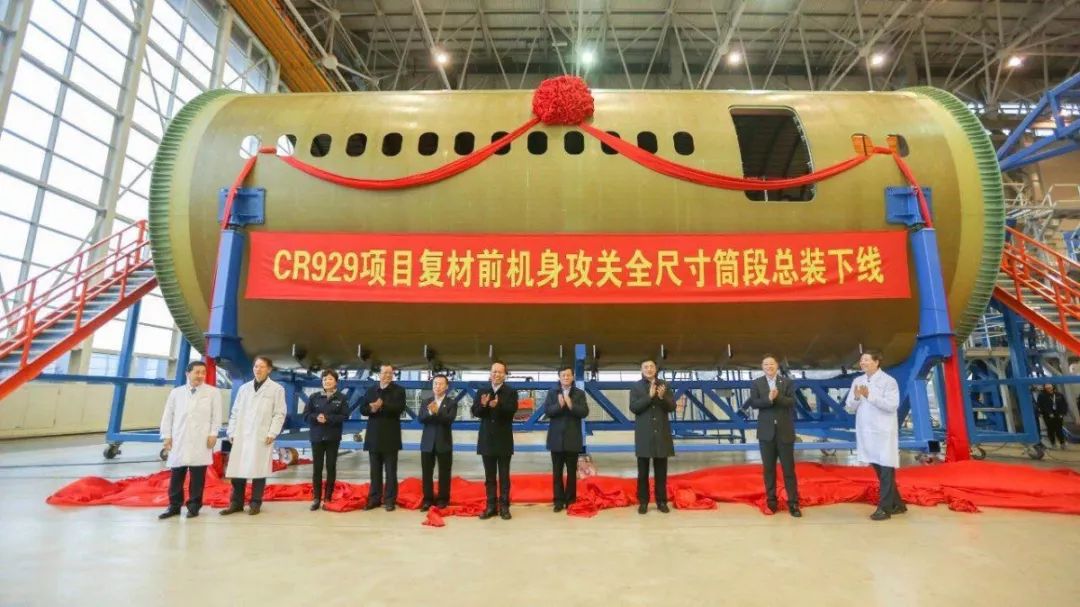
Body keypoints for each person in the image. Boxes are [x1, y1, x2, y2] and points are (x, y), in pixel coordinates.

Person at [221, 356, 287, 516]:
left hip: (262, 435)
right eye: (256, 366)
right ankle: (236, 503)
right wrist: (231, 431)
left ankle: (255, 502)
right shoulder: (244, 388)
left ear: (269, 369)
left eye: (262, 367)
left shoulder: (277, 389)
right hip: (241, 434)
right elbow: (235, 411)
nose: (258, 369)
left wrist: (273, 432)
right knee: (238, 469)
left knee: (259, 470)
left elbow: (279, 413)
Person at [844, 350, 905, 521]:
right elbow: (849, 408)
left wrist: (870, 396)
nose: (863, 363)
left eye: (866, 360)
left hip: (883, 431)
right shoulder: (858, 381)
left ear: (877, 362)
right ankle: (898, 504)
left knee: (886, 468)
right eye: (861, 360)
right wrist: (857, 398)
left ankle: (884, 508)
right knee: (879, 468)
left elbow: (892, 405)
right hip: (866, 431)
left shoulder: (889, 381)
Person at [158, 360, 222, 520]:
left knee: (198, 476)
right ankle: (174, 506)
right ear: (188, 373)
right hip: (179, 438)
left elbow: (216, 416)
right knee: (176, 475)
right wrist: (166, 435)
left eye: (203, 373)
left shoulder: (213, 392)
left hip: (201, 439)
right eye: (197, 372)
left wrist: (213, 433)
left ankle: (194, 506)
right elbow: (168, 415)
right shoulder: (176, 393)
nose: (200, 375)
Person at [747, 354, 801, 517]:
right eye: (766, 364)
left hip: (784, 432)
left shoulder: (787, 382)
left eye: (772, 364)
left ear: (777, 366)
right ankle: (771, 502)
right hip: (766, 433)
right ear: (762, 367)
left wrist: (777, 398)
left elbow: (791, 402)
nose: (769, 366)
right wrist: (768, 399)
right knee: (769, 470)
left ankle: (793, 503)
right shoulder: (757, 383)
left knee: (788, 470)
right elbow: (754, 403)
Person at [472, 360, 518, 520]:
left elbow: (512, 411)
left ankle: (504, 506)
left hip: (504, 439)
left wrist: (498, 405)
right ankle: (490, 506)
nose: (496, 374)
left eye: (500, 372)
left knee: (504, 477)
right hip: (487, 439)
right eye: (494, 371)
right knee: (489, 477)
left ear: (505, 375)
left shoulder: (511, 392)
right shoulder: (482, 391)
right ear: (490, 374)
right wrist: (484, 405)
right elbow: (475, 412)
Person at [629, 358, 675, 514]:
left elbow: (672, 407)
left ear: (656, 369)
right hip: (644, 434)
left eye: (651, 366)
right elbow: (634, 407)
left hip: (661, 433)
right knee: (642, 473)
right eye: (646, 367)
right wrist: (649, 396)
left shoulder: (664, 385)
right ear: (641, 370)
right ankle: (643, 502)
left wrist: (662, 398)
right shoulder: (636, 387)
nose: (649, 369)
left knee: (661, 472)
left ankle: (661, 501)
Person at [360, 364, 406, 511]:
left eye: (390, 373)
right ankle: (374, 499)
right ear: (379, 374)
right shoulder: (371, 390)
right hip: (374, 436)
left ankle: (390, 500)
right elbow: (363, 409)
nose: (387, 375)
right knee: (375, 471)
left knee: (391, 472)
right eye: (384, 372)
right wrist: (371, 408)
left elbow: (399, 408)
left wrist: (382, 405)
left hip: (390, 436)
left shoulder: (399, 390)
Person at [544, 365, 589, 513]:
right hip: (556, 439)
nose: (566, 377)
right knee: (557, 473)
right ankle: (558, 501)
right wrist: (559, 405)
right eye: (563, 375)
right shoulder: (552, 392)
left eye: (568, 375)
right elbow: (547, 412)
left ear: (573, 377)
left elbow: (584, 412)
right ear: (559, 377)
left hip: (572, 439)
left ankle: (570, 500)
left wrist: (571, 405)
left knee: (571, 473)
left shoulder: (579, 394)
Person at [303, 369, 350, 511]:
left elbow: (345, 416)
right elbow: (306, 415)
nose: (327, 381)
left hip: (332, 437)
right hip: (317, 437)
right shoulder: (314, 397)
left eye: (330, 379)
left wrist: (328, 418)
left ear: (336, 382)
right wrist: (316, 417)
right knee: (317, 468)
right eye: (324, 379)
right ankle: (316, 498)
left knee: (331, 466)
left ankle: (328, 497)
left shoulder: (341, 398)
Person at [418, 374, 458, 511]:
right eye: (435, 383)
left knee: (444, 473)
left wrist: (437, 413)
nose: (437, 386)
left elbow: (449, 419)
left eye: (441, 384)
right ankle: (427, 499)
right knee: (427, 473)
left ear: (446, 387)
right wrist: (430, 412)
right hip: (427, 443)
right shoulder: (426, 401)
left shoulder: (451, 403)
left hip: (443, 442)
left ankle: (442, 499)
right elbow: (421, 418)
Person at [1036, 384, 1068, 449]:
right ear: (1045, 388)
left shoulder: (1059, 395)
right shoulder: (1041, 396)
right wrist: (1046, 413)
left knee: (1059, 429)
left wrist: (1062, 413)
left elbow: (1064, 404)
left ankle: (1062, 443)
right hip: (1048, 416)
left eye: (1050, 387)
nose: (1049, 389)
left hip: (1058, 415)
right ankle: (1053, 443)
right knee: (1051, 429)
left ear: (1053, 387)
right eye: (1047, 388)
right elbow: (1040, 405)